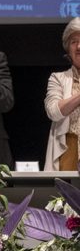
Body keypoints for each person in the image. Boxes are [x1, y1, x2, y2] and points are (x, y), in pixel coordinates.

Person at [44, 17, 80, 171]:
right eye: (74, 42)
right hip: (68, 148)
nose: (79, 46)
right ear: (68, 48)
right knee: (65, 194)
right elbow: (54, 112)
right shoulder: (58, 78)